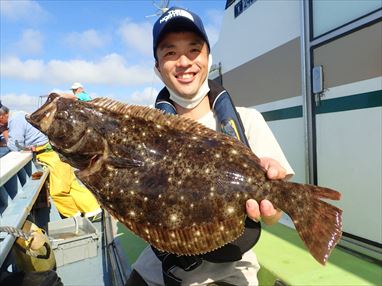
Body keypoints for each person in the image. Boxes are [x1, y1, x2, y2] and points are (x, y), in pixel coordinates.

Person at [126, 7, 294, 286]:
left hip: (231, 271)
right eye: (170, 53)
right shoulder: (144, 132)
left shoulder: (248, 121)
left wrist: (272, 202)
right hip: (156, 269)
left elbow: (274, 216)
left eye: (193, 50)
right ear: (158, 67)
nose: (184, 62)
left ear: (208, 57)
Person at [0, 101, 102, 221]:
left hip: (51, 155)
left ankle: (74, 218)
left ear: (1, 116)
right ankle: (93, 210)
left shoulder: (15, 121)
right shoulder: (19, 114)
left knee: (59, 192)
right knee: (71, 185)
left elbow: (15, 146)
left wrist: (3, 130)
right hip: (57, 151)